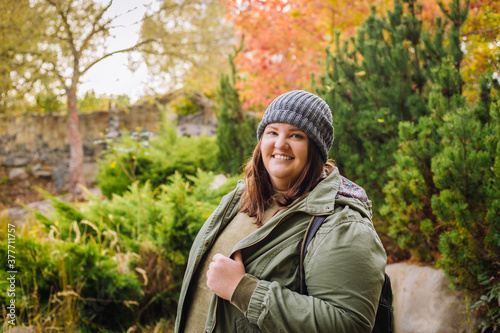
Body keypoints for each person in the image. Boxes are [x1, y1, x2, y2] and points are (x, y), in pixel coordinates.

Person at [174, 90, 387, 332]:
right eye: (272, 132)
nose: (280, 143)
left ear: (315, 149)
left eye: (296, 135)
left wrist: (243, 290)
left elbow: (349, 323)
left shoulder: (341, 224)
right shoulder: (242, 199)